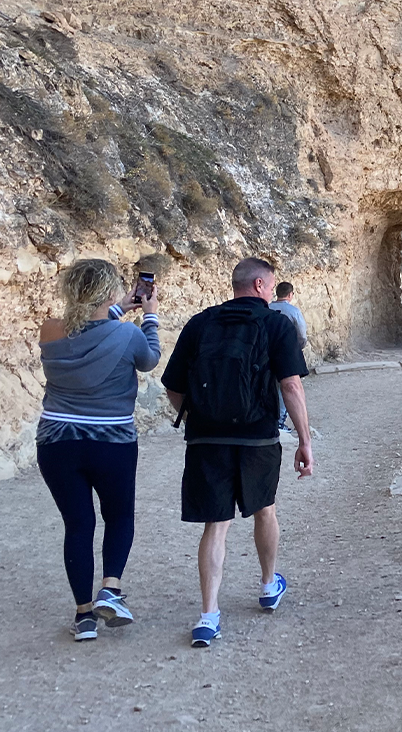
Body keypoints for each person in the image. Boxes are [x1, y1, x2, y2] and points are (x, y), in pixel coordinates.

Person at [162, 256, 313, 648]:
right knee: (265, 510)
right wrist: (304, 440)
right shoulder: (276, 324)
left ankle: (208, 615)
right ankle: (267, 585)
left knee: (216, 524)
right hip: (257, 438)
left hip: (206, 439)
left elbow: (173, 385)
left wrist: (196, 413)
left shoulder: (200, 323)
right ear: (262, 286)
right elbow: (292, 387)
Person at [37, 258, 161, 641]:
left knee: (78, 525)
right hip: (111, 441)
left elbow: (86, 326)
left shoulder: (50, 331)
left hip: (57, 442)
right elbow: (150, 358)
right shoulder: (127, 335)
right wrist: (150, 316)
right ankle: (110, 588)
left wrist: (119, 307)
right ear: (110, 291)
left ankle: (84, 617)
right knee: (119, 516)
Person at [269, 282, 308, 431]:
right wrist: (296, 348)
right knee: (287, 386)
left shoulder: (267, 308)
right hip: (286, 352)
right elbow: (302, 334)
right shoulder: (293, 311)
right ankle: (280, 421)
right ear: (290, 294)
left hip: (265, 352)